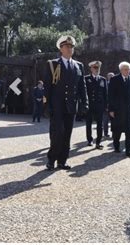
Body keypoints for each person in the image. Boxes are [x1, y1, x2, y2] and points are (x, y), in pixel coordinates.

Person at [43, 36, 88, 170]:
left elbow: (82, 86)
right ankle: (51, 160)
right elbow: (47, 87)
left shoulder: (78, 65)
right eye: (67, 47)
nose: (69, 49)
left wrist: (85, 103)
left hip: (71, 106)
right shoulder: (53, 64)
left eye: (71, 47)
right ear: (61, 49)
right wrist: (47, 105)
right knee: (57, 133)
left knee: (67, 134)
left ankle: (62, 161)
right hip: (57, 106)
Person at [108, 62, 130, 157]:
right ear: (120, 70)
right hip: (118, 110)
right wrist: (111, 109)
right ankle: (116, 146)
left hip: (129, 110)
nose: (127, 71)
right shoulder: (114, 79)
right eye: (125, 69)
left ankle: (129, 150)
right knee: (117, 130)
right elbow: (110, 95)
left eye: (128, 69)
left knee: (129, 131)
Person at [84, 61, 108, 149]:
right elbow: (84, 93)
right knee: (88, 123)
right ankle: (89, 140)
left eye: (98, 68)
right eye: (95, 68)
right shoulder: (86, 79)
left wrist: (106, 105)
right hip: (90, 105)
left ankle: (98, 141)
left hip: (99, 106)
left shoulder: (103, 79)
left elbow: (105, 93)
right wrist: (84, 104)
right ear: (91, 69)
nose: (97, 69)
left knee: (100, 124)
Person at [102, 72, 115, 138]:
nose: (111, 77)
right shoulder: (105, 84)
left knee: (114, 121)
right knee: (105, 121)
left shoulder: (116, 84)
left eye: (112, 76)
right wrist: (106, 105)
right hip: (106, 106)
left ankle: (114, 133)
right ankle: (106, 133)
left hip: (114, 106)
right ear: (107, 77)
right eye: (109, 76)